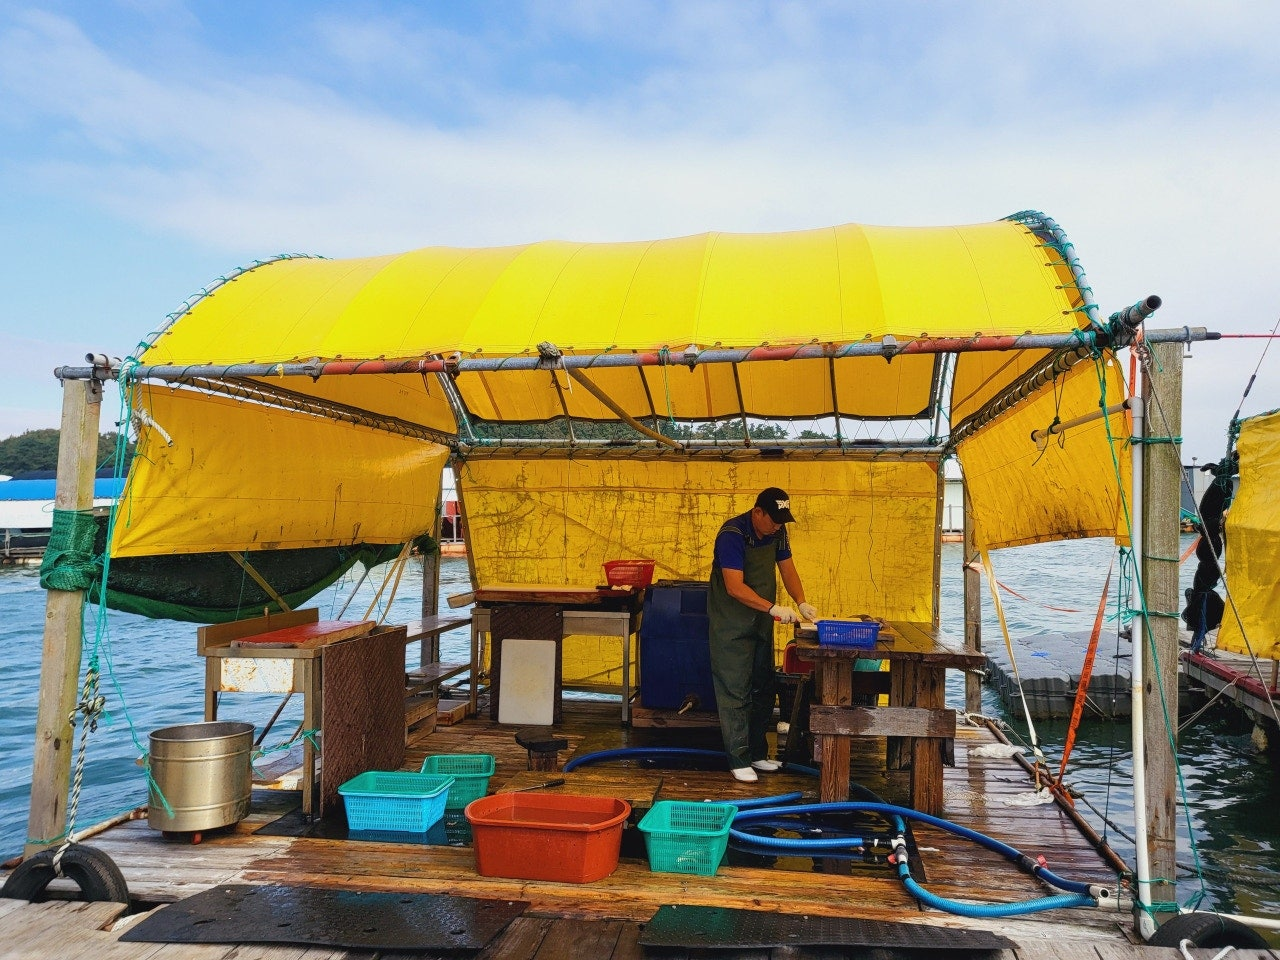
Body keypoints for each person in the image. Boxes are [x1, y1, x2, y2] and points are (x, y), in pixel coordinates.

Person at [707, 487, 818, 782]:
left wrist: (801, 602)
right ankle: (738, 758)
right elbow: (734, 586)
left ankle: (757, 753)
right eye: (774, 520)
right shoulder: (732, 534)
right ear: (758, 512)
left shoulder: (778, 533)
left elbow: (787, 569)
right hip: (731, 624)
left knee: (763, 686)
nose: (778, 526)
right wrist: (771, 608)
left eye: (783, 520)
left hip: (760, 623)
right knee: (736, 690)